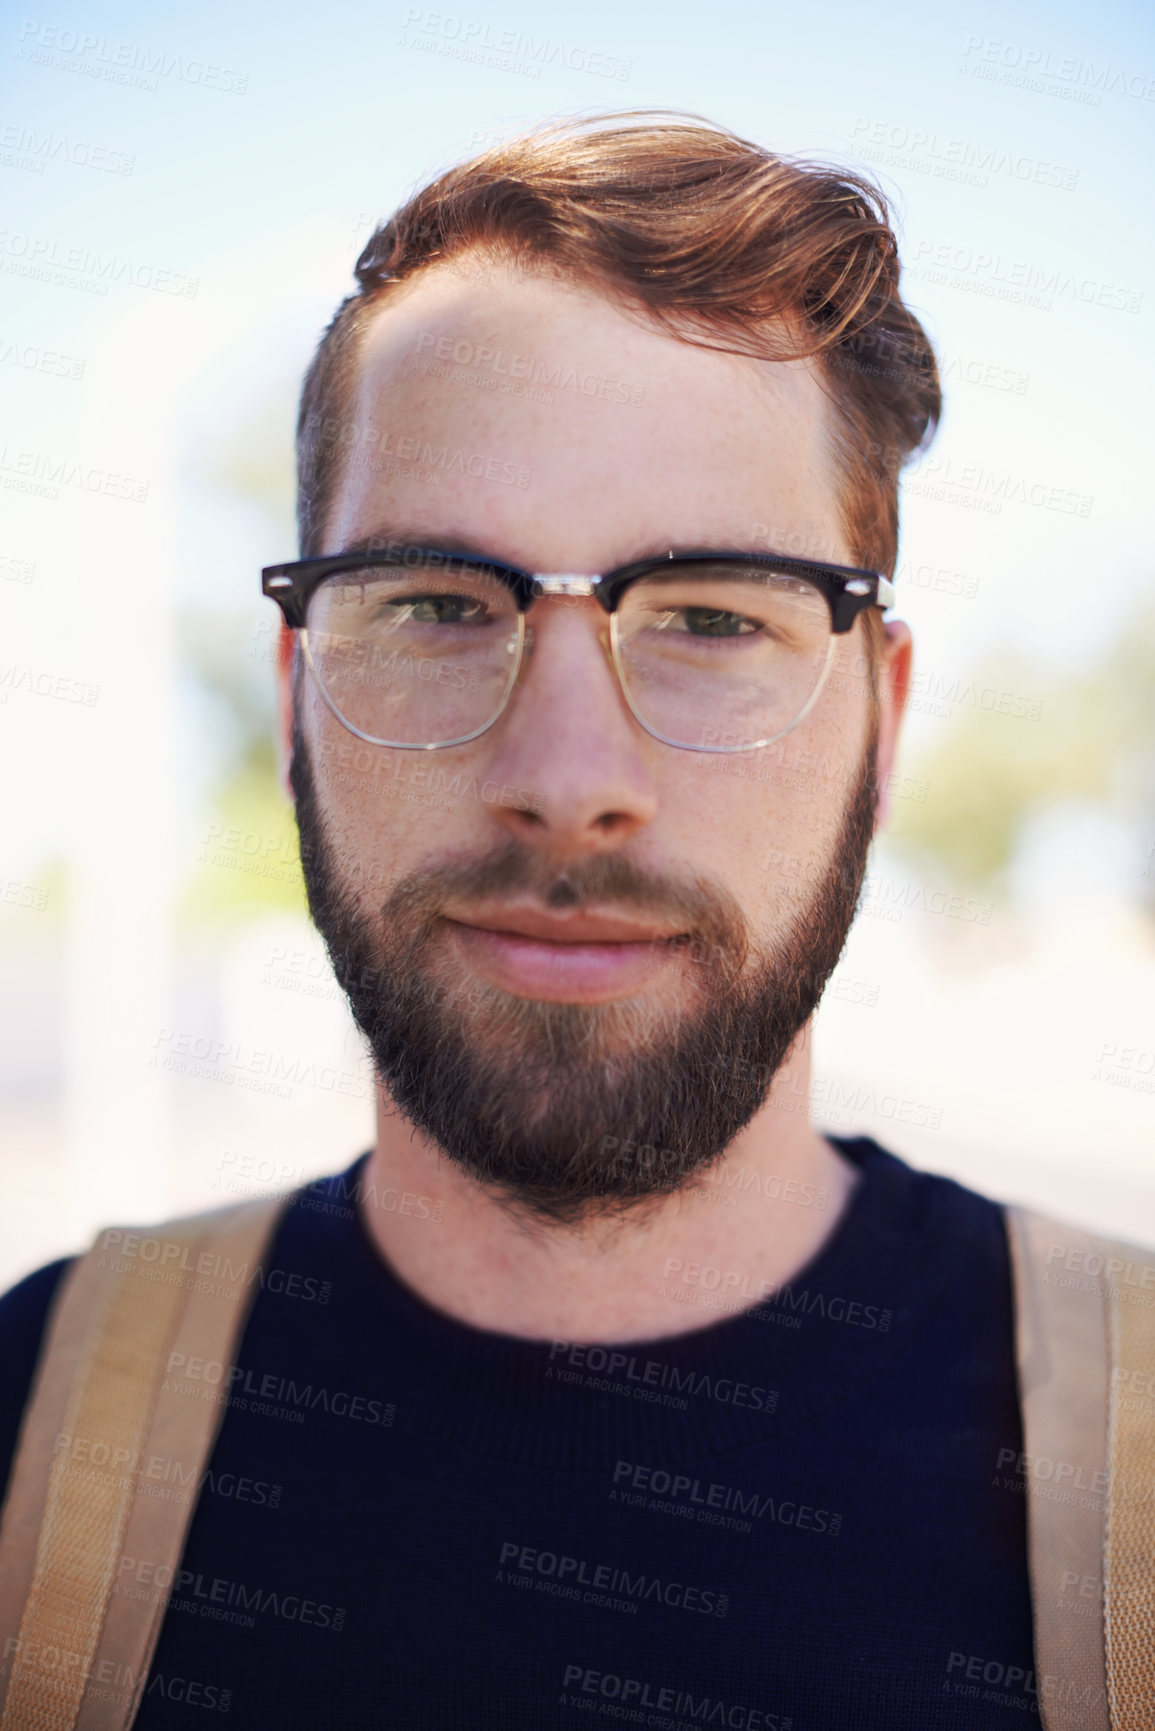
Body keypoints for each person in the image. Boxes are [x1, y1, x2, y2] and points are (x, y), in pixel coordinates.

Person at [0, 113, 1140, 1731]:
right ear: (296, 696)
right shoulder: (31, 1442)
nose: (567, 779)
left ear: (880, 727)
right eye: (439, 606)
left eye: (712, 618)